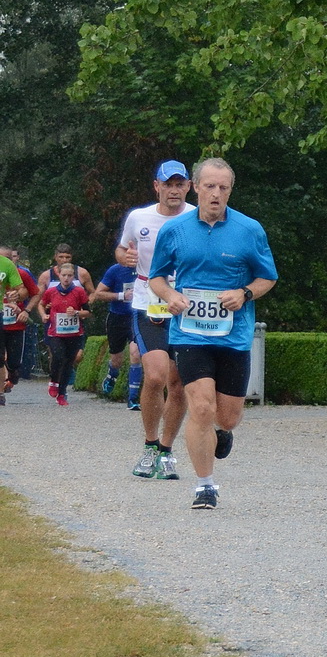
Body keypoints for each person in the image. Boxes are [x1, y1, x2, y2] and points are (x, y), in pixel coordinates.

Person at [148, 158, 278, 509]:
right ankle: (205, 486)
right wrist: (170, 295)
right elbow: (156, 277)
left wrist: (245, 293)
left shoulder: (249, 229)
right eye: (209, 186)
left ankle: (222, 432)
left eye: (223, 188)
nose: (216, 194)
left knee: (228, 416)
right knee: (201, 407)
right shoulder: (175, 230)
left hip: (234, 335)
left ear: (230, 191)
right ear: (196, 187)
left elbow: (268, 277)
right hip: (190, 334)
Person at [118, 161, 193, 480]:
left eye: (179, 184)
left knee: (179, 383)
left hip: (187, 306)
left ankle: (166, 450)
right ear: (156, 186)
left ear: (188, 187)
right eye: (168, 184)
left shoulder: (197, 217)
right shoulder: (139, 217)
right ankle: (149, 446)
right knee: (156, 375)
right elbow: (122, 250)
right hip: (148, 302)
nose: (174, 190)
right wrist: (126, 257)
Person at [39, 262, 91, 405]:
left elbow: (88, 312)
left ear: (73, 277)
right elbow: (41, 304)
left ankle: (62, 394)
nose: (66, 278)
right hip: (56, 332)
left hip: (74, 333)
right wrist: (43, 315)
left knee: (68, 362)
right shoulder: (51, 291)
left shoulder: (79, 292)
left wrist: (76, 312)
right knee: (58, 356)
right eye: (64, 275)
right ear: (59, 276)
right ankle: (54, 380)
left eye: (69, 275)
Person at [94, 257, 141, 404]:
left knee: (136, 354)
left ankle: (133, 398)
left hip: (138, 317)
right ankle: (112, 375)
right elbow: (98, 293)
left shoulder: (147, 268)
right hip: (117, 318)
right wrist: (122, 296)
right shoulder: (115, 270)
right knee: (116, 360)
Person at [0, 246, 39, 404]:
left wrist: (26, 311)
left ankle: (11, 376)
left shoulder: (22, 274)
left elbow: (35, 293)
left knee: (14, 364)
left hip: (15, 325)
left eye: (10, 258)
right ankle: (1, 389)